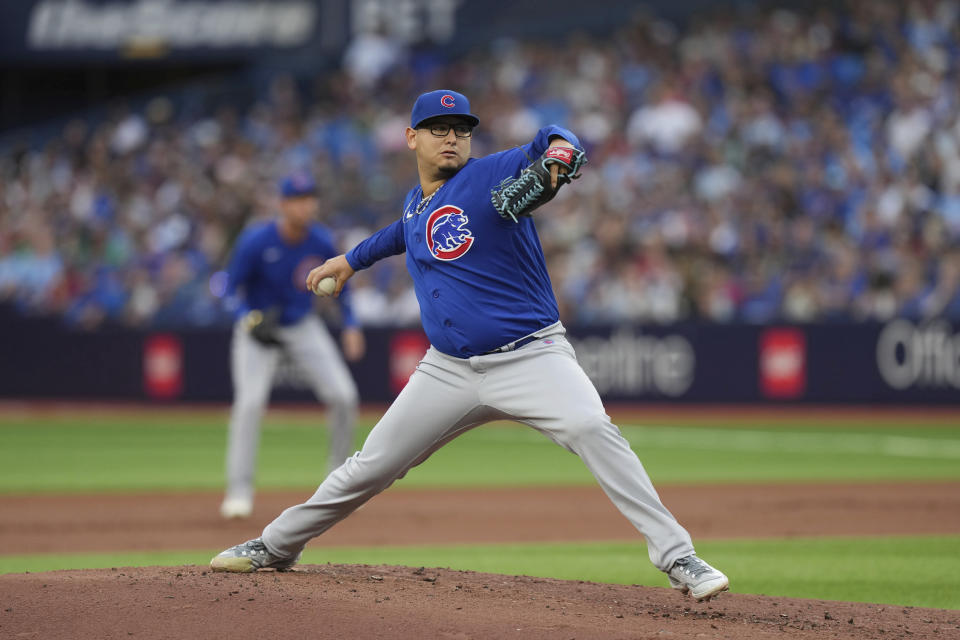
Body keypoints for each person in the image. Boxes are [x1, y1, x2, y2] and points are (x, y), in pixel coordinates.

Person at [210, 90, 729, 601]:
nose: (452, 137)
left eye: (461, 129)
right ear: (412, 138)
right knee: (371, 464)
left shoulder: (486, 175)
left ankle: (678, 555)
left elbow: (552, 141)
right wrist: (351, 260)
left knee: (593, 428)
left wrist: (558, 153)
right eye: (439, 129)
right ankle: (277, 545)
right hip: (448, 370)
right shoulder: (418, 203)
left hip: (532, 356)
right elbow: (403, 231)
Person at [218, 171, 365, 519]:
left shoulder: (320, 241)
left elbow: (344, 282)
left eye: (310, 198)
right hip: (257, 330)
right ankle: (239, 490)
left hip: (302, 325)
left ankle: (337, 481)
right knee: (249, 405)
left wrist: (351, 325)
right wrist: (246, 317)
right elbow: (227, 287)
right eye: (298, 199)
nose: (306, 205)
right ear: (283, 205)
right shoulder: (256, 241)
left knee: (344, 396)